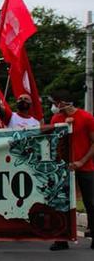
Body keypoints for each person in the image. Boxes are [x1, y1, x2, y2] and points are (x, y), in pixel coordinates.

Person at [49, 90, 94, 251]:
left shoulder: (86, 117)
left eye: (55, 103)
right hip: (63, 169)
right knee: (62, 203)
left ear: (63, 103)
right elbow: (54, 144)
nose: (54, 106)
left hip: (85, 167)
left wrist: (81, 161)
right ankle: (62, 238)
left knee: (90, 202)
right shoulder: (56, 119)